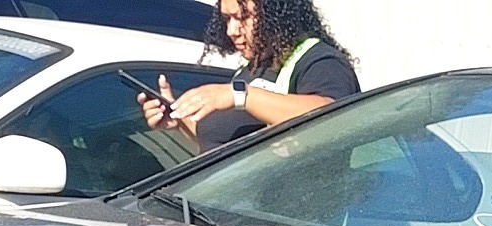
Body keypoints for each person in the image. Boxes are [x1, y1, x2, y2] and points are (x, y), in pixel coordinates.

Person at [139, 0, 359, 152]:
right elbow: (225, 141)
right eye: (226, 19)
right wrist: (178, 119)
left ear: (277, 15)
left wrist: (240, 95)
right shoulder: (253, 67)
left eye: (243, 17)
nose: (232, 30)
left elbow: (333, 120)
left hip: (278, 215)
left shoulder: (320, 61)